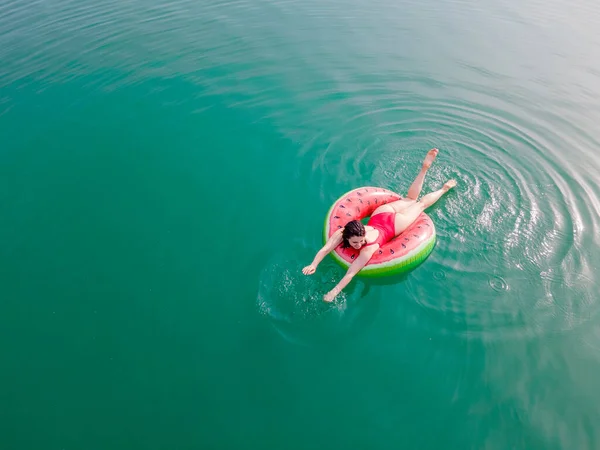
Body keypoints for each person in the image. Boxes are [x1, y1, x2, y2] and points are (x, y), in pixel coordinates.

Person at [302, 148, 456, 302]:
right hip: (381, 213)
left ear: (363, 231)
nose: (360, 244)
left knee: (420, 204)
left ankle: (442, 186)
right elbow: (326, 249)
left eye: (361, 240)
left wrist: (334, 292)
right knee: (410, 199)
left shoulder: (368, 248)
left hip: (394, 223)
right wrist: (313, 264)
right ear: (346, 237)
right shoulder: (341, 233)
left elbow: (351, 272)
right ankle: (424, 170)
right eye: (355, 242)